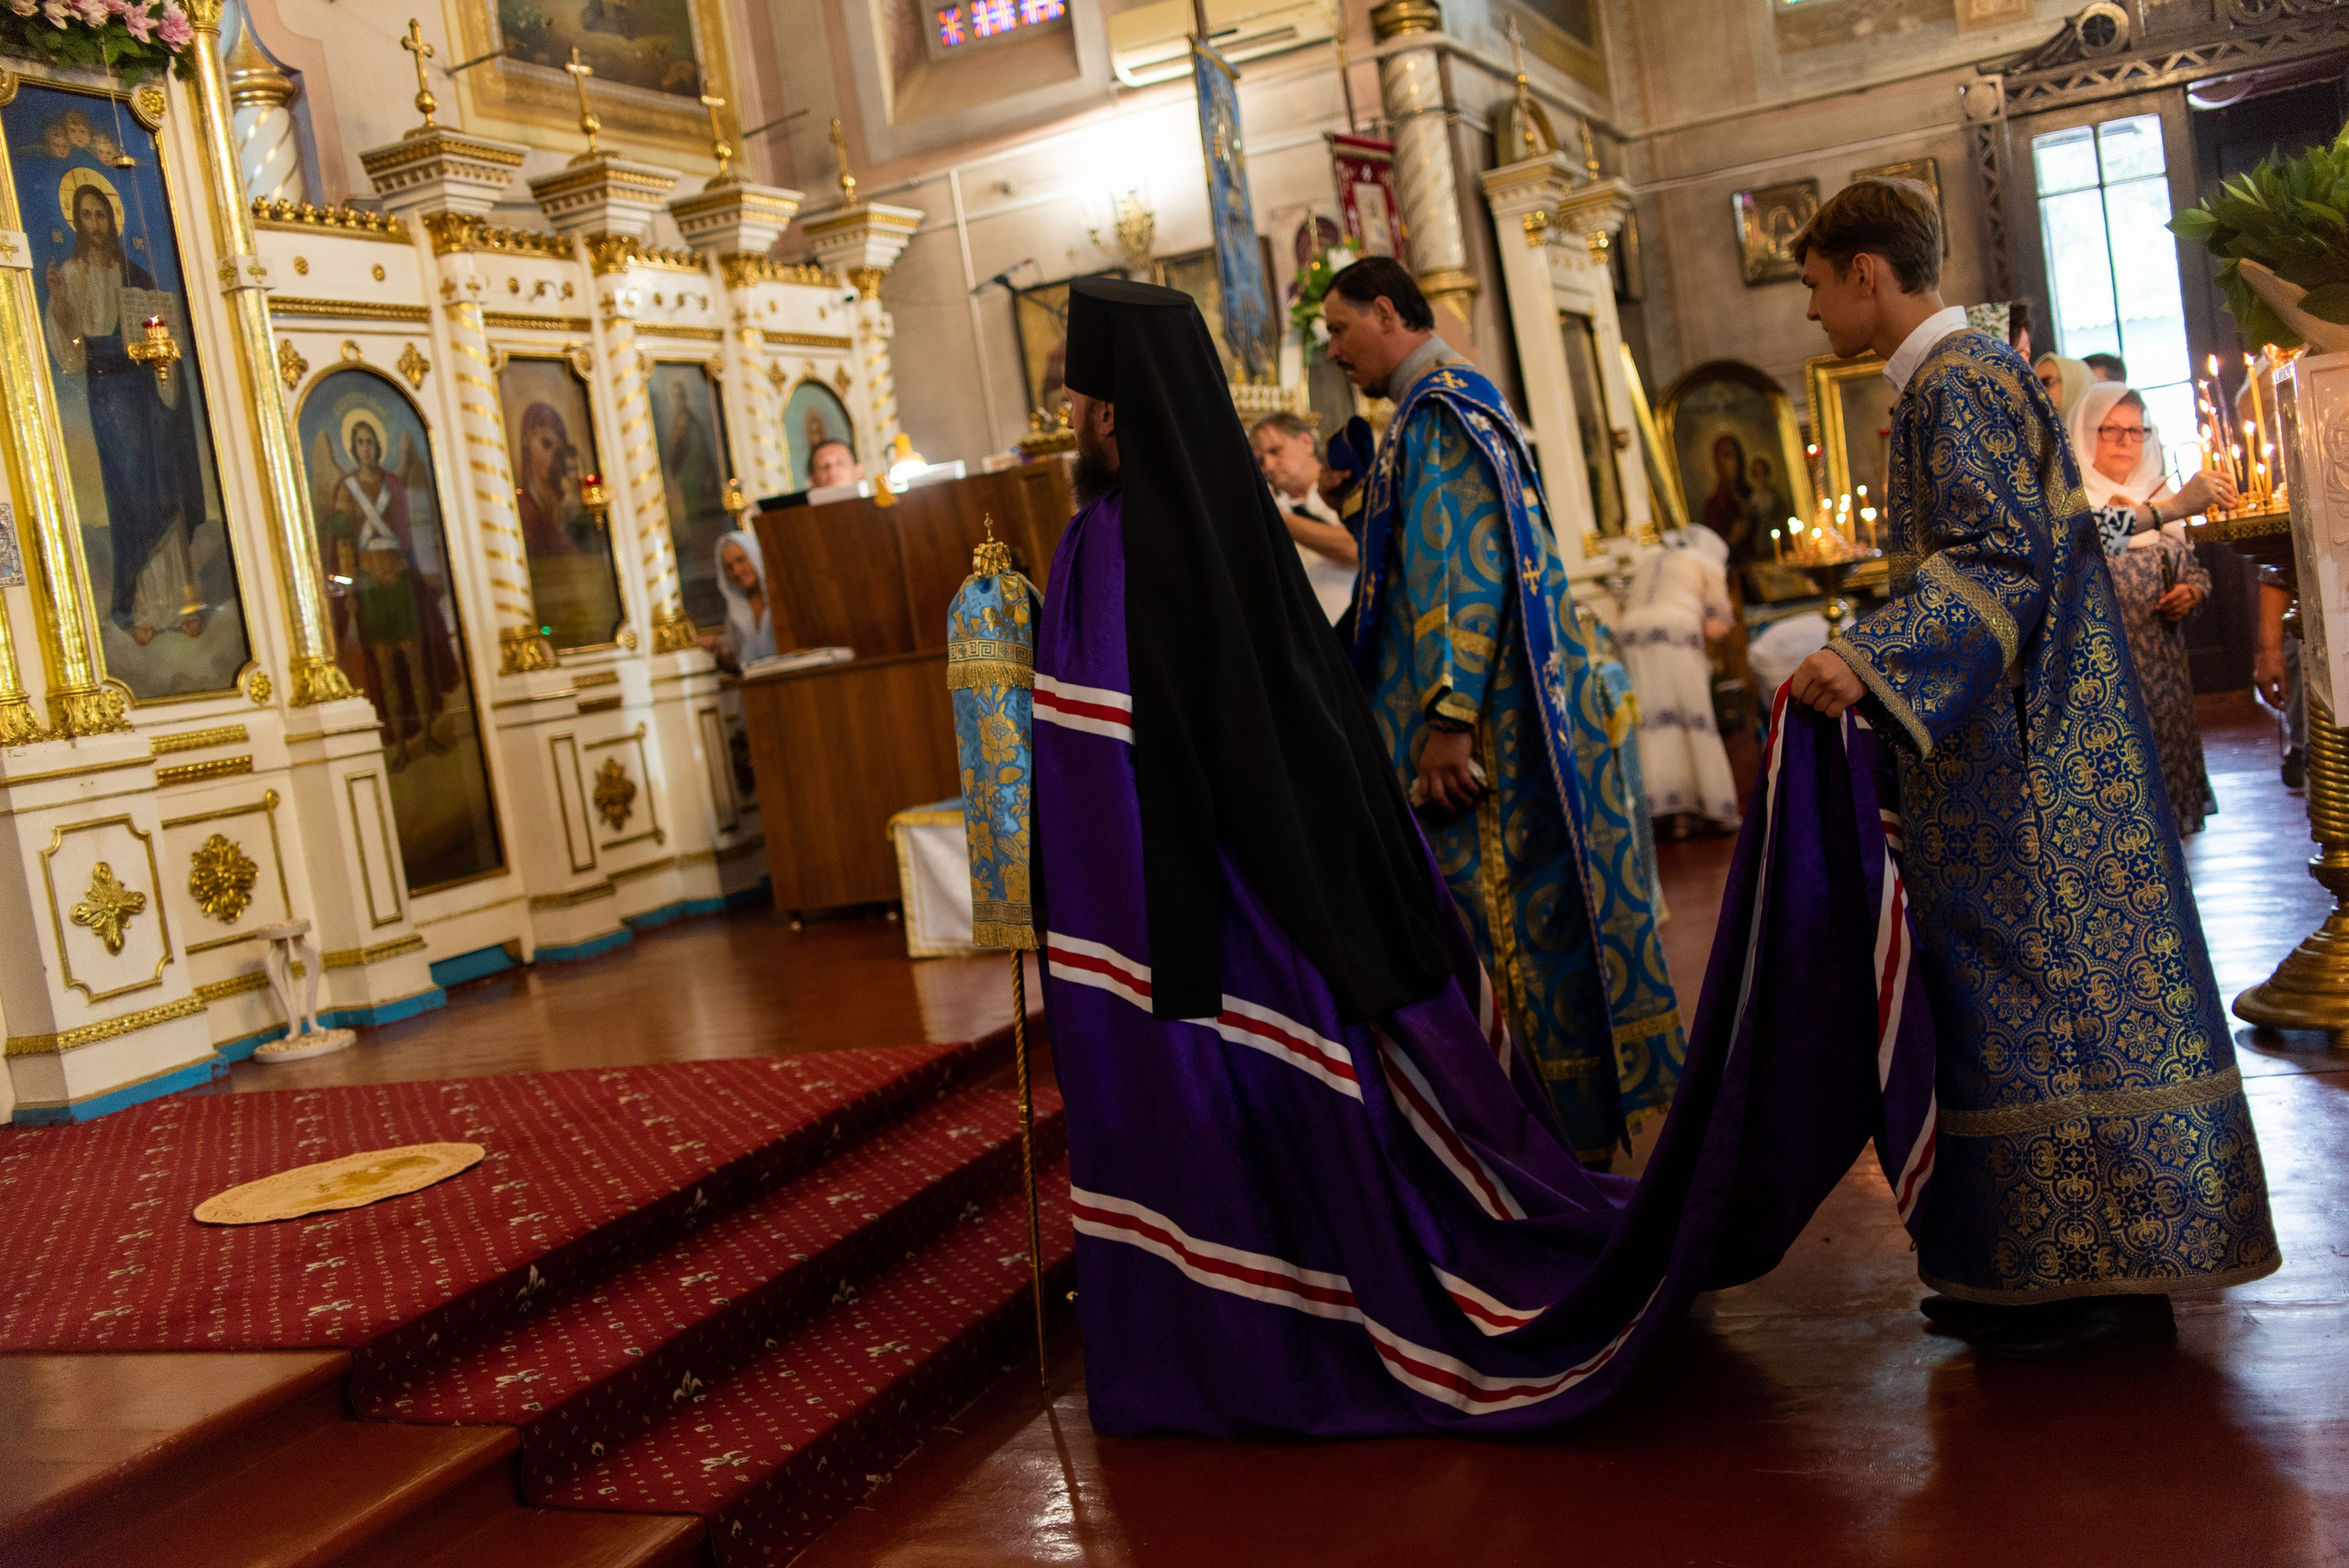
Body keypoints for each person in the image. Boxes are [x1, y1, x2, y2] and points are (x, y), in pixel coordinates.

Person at [1031, 276, 1943, 1437]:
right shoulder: (1234, 505)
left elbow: (1102, 751)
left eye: (1075, 403)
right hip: (1341, 837)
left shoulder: (1122, 534)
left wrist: (1447, 710)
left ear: (1111, 416)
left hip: (1408, 779)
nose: (1068, 424)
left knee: (1507, 938)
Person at [1782, 177, 2278, 1357]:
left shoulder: (1956, 383)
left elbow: (2001, 563)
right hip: (2015, 746)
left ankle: (2097, 1277)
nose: (1808, 312)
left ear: (1865, 272)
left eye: (1811, 283)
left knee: (2048, 1001)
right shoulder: (1964, 378)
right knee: (2013, 1004)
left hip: (2027, 765)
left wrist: (1871, 655)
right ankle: (2035, 1262)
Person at [1319, 255, 1679, 1163]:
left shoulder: (1437, 410)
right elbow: (1419, 556)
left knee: (1498, 931)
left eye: (1338, 328)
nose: (1331, 351)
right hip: (1491, 722)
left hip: (1475, 745)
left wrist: (1447, 719)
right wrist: (1361, 503)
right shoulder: (1437, 406)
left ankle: (1539, 1148)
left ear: (1392, 313)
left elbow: (1460, 573)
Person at [44, 181, 209, 644]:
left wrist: (162, 347)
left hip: (145, 388)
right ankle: (139, 604)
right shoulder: (72, 274)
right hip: (109, 395)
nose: (97, 224)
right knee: (131, 489)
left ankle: (180, 602)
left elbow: (161, 330)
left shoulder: (135, 275)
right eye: (88, 216)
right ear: (77, 222)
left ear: (113, 220)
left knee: (164, 481)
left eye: (103, 215)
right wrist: (59, 302)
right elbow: (72, 351)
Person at [2069, 380, 2232, 832]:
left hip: (2166, 675)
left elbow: (2192, 570)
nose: (2125, 442)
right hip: (2107, 680)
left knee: (2174, 818)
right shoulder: (2075, 501)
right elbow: (2092, 542)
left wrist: (2192, 594)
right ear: (2085, 434)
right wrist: (2164, 508)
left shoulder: (2156, 492)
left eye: (2136, 431)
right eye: (2111, 430)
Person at [320, 417, 461, 768]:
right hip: (370, 588)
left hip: (399, 582)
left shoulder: (395, 484)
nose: (367, 448)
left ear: (378, 447)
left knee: (414, 662)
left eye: (371, 441)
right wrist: (349, 589)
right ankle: (398, 742)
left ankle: (426, 733)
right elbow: (345, 547)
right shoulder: (346, 489)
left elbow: (413, 529)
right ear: (353, 450)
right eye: (361, 443)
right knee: (385, 670)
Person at [1615, 527, 1741, 831]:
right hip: (1675, 630)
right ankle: (1706, 809)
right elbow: (1716, 626)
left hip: (1630, 632)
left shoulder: (1652, 559)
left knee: (1651, 720)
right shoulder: (1705, 562)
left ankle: (1662, 812)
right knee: (1690, 716)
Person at [1248, 410, 1358, 625]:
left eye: (1275, 451)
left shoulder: (1349, 488)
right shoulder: (1271, 510)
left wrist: (1278, 519)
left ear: (1306, 443)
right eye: (1260, 461)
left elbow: (1358, 548)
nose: (1268, 466)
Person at [698, 530, 774, 675]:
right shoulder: (736, 611)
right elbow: (739, 667)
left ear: (755, 557)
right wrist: (719, 654)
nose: (737, 571)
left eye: (740, 560)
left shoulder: (780, 600)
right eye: (729, 567)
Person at [1698, 432, 1753, 557]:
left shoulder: (1751, 494)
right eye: (1728, 456)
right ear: (1718, 462)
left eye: (1737, 455)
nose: (1735, 461)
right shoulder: (1714, 505)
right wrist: (1733, 538)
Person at [2033, 352, 2093, 419]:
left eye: (2046, 382)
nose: (2037, 390)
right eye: (2033, 385)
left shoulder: (2102, 427)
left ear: (2071, 383)